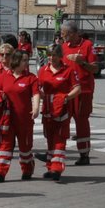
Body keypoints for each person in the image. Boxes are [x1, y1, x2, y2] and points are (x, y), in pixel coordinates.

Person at [35, 45, 84, 180]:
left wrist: (65, 98)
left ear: (60, 56)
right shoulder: (43, 71)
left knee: (60, 139)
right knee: (50, 138)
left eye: (54, 55)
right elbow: (38, 89)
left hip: (62, 109)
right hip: (47, 109)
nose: (51, 58)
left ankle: (57, 167)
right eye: (49, 55)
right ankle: (50, 167)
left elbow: (78, 89)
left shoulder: (68, 70)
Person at [0, 43, 36, 182]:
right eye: (2, 54)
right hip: (7, 118)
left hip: (24, 119)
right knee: (5, 146)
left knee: (25, 148)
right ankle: (0, 172)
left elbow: (36, 94)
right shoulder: (3, 75)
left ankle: (27, 168)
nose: (4, 57)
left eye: (7, 55)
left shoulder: (30, 78)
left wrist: (36, 109)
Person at [59, 24, 98, 165]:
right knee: (62, 120)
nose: (62, 36)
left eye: (64, 34)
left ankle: (84, 154)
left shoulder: (87, 45)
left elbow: (94, 68)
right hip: (66, 91)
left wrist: (82, 62)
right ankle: (56, 153)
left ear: (73, 33)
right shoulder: (63, 47)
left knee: (81, 122)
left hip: (83, 90)